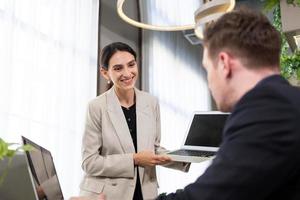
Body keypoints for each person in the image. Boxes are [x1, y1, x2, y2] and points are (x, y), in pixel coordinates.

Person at [157, 8, 300, 200]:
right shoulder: (286, 101)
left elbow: (208, 196)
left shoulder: (268, 109)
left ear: (224, 63)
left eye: (207, 69)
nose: (208, 82)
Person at [80, 42, 189, 200]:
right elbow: (89, 162)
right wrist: (134, 159)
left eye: (131, 65)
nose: (127, 73)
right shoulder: (96, 107)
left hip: (145, 191)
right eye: (118, 68)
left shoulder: (151, 102)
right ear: (105, 73)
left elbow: (154, 150)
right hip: (108, 195)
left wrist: (185, 157)